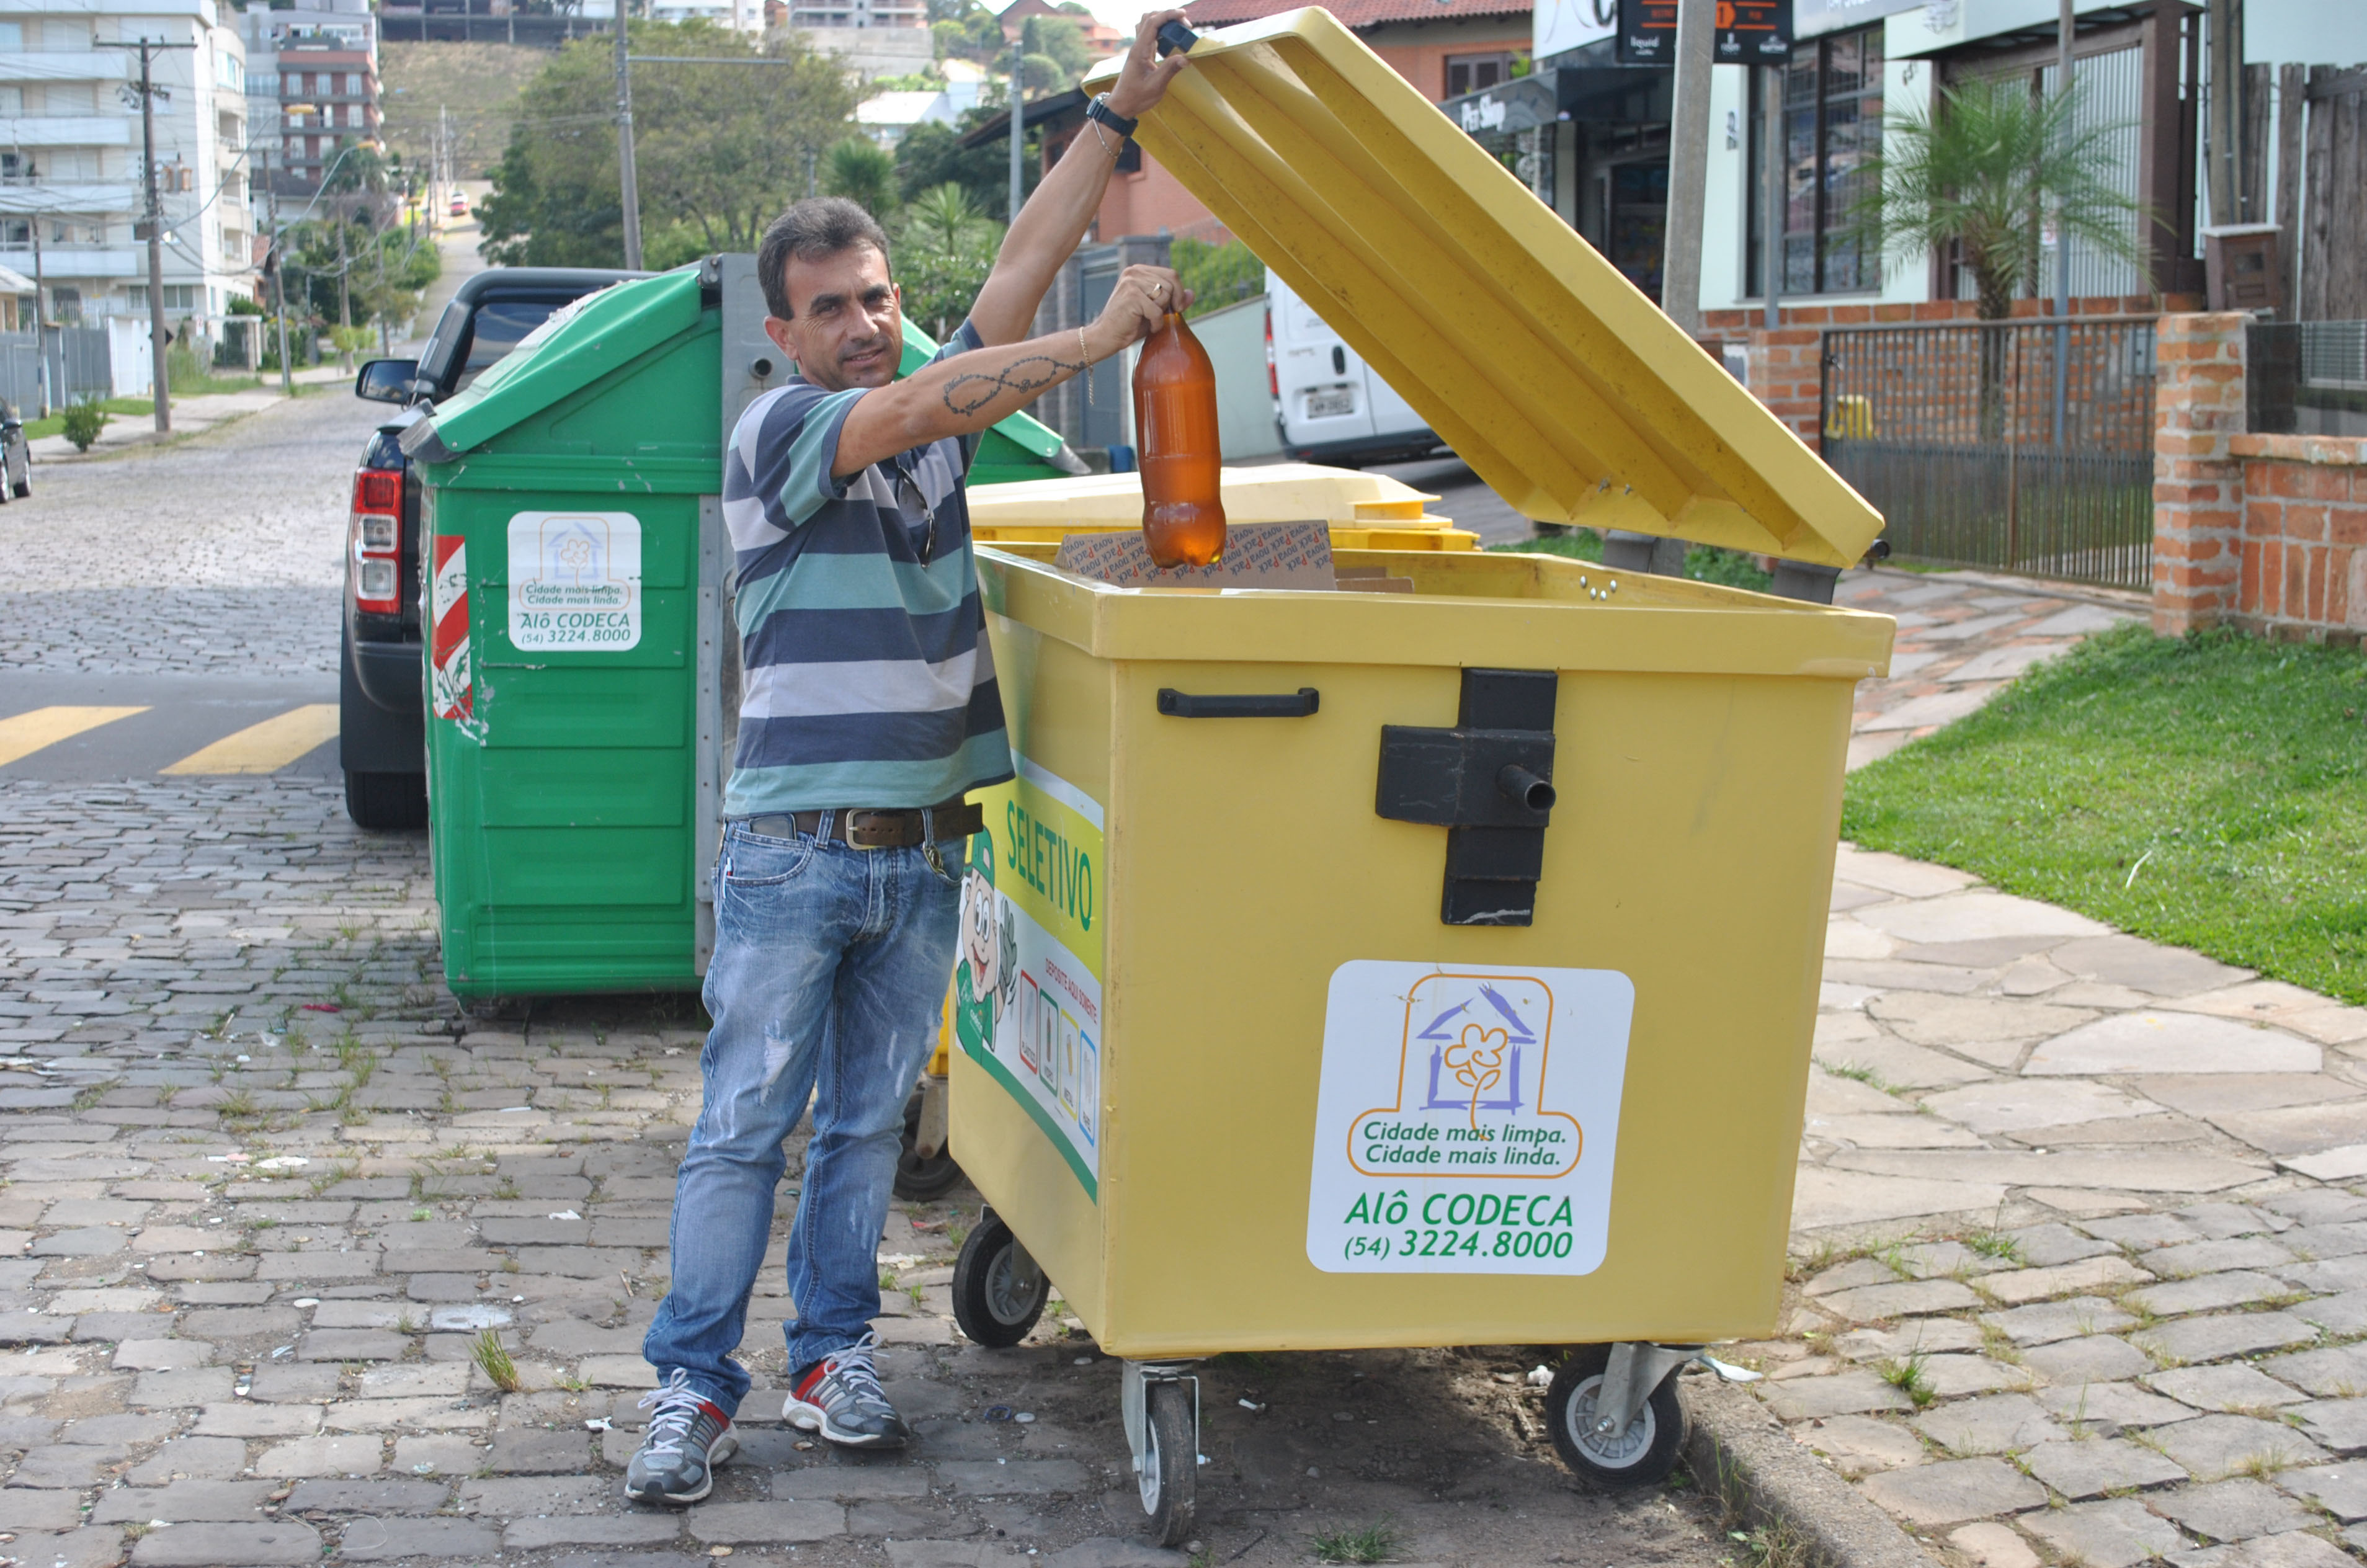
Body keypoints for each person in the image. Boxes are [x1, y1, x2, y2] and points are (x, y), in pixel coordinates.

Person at [626, 9, 1198, 1508]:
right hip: (793, 855)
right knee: (748, 1125)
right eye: (835, 307)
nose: (868, 322)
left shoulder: (928, 411)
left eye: (880, 297)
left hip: (925, 852)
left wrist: (1118, 121)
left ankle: (830, 1360)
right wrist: (1085, 342)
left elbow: (1011, 271)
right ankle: (691, 1388)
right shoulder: (788, 432)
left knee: (868, 1126)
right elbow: (941, 387)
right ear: (785, 332)